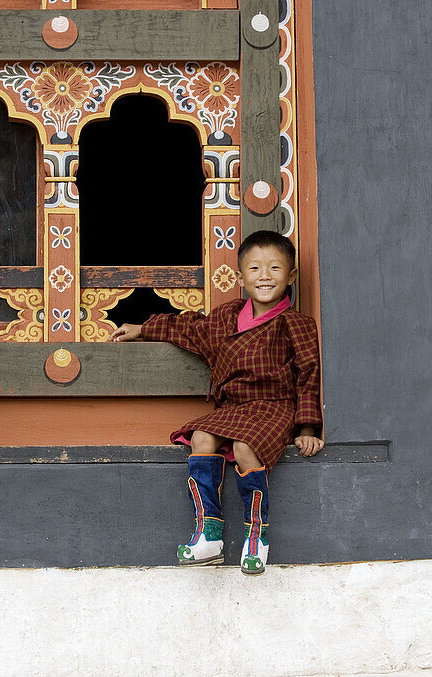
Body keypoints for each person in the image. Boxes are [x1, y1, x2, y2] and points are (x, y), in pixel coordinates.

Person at [110, 230, 324, 574]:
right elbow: (189, 329)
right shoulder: (227, 317)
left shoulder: (296, 324)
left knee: (244, 447)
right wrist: (144, 327)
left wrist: (308, 427)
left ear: (291, 276)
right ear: (241, 277)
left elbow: (308, 373)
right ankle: (209, 532)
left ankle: (257, 533)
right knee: (201, 438)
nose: (265, 276)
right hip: (234, 407)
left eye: (274, 268)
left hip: (274, 406)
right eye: (254, 269)